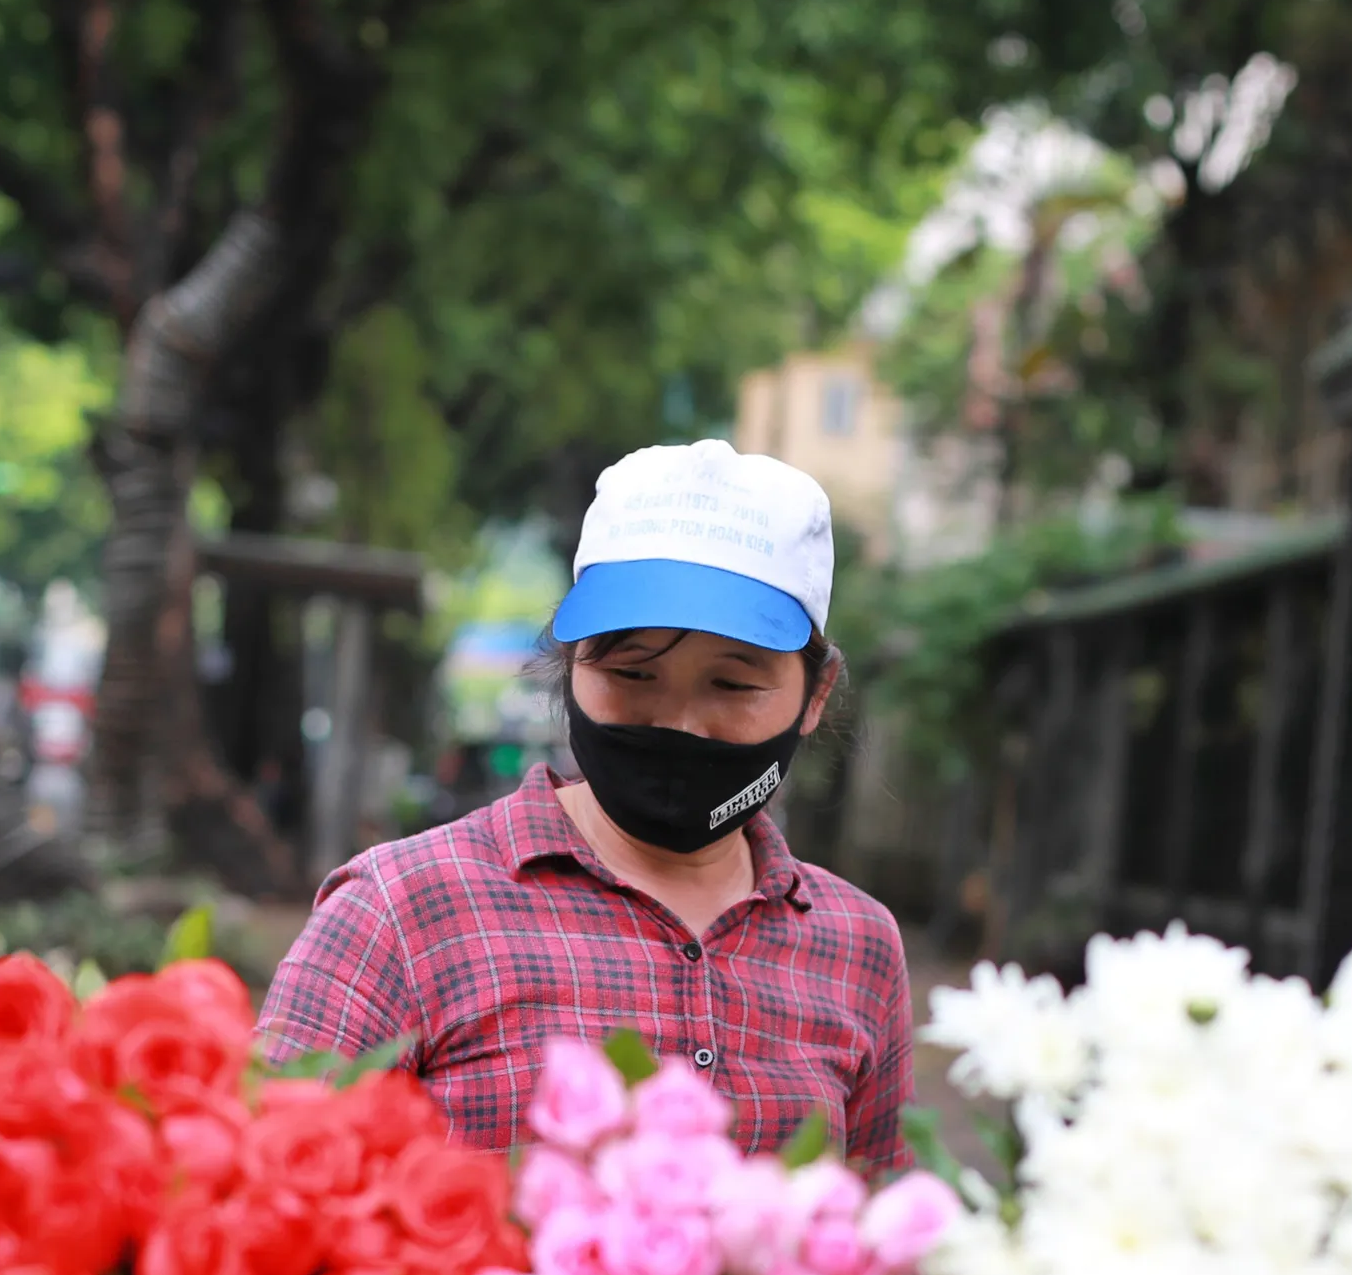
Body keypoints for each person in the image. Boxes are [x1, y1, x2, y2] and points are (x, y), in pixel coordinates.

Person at [256, 440, 914, 1169]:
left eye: (733, 686)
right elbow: (274, 1192)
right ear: (570, 666)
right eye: (634, 674)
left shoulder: (861, 948)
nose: (679, 724)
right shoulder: (397, 913)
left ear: (814, 696)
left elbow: (876, 1244)